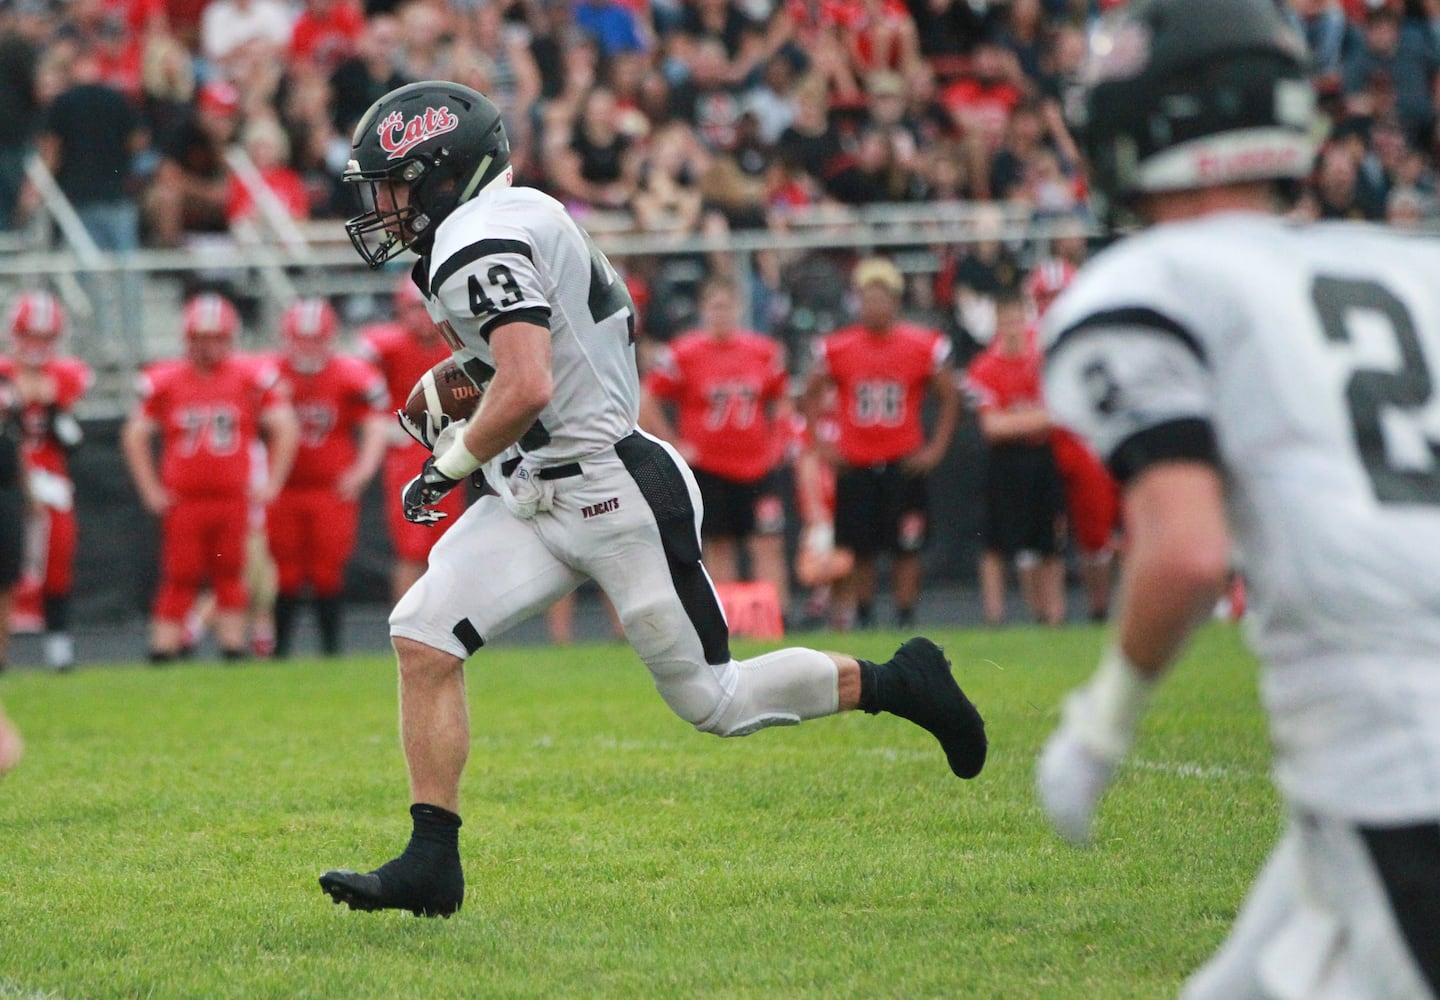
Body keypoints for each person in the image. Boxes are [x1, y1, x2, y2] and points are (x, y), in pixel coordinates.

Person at [317, 81, 987, 918]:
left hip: (611, 489)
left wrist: (446, 464)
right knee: (422, 636)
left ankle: (902, 679)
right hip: (536, 489)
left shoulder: (475, 239)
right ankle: (431, 860)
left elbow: (527, 380)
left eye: (398, 185)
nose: (385, 206)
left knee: (718, 700)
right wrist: (464, 390)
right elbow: (536, 357)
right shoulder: (514, 214)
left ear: (447, 175)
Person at [1035, 2, 1440, 997]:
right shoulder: (1407, 263)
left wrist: (1099, 729)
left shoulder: (1150, 281)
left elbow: (1186, 552)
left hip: (1394, 754)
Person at [121, 292, 299, 662]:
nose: (208, 347)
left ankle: (232, 648)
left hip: (232, 496)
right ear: (187, 339)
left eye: (216, 338)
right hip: (185, 498)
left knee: (231, 574)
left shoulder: (249, 377)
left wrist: (273, 482)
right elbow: (135, 433)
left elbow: (285, 427)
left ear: (230, 338)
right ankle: (163, 650)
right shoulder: (166, 379)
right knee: (179, 576)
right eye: (201, 338)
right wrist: (150, 488)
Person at [800, 256, 961, 631]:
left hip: (902, 458)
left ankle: (905, 616)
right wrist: (820, 443)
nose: (874, 305)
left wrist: (936, 447)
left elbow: (950, 395)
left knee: (907, 546)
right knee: (861, 548)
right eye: (867, 297)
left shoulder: (922, 344)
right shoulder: (838, 347)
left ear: (895, 300)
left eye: (881, 296)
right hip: (856, 460)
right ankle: (867, 615)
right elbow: (809, 393)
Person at [639, 275, 794, 620]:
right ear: (703, 310)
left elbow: (783, 401)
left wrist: (778, 441)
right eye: (714, 306)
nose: (720, 314)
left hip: (758, 465)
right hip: (709, 467)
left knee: (767, 543)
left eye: (726, 306)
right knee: (718, 545)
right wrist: (675, 444)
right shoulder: (684, 352)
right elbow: (647, 399)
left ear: (738, 309)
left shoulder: (762, 351)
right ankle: (727, 619)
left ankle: (775, 618)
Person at [267, 297, 389, 657]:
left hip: (329, 488)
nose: (308, 347)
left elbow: (375, 426)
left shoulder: (349, 374)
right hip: (283, 488)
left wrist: (362, 471)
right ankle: (280, 653)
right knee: (285, 572)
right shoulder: (269, 375)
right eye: (301, 338)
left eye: (315, 338)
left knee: (327, 571)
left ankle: (331, 652)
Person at [357, 275, 464, 603]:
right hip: (406, 455)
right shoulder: (385, 346)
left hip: (452, 454)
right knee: (411, 547)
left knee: (451, 544)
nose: (422, 316)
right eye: (414, 308)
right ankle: (405, 621)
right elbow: (358, 388)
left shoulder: (458, 346)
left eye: (427, 308)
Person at [964, 285, 1066, 627]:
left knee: (1048, 541)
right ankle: (995, 616)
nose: (1011, 327)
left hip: (1040, 456)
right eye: (1004, 321)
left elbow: (1059, 412)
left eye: (1016, 320)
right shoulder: (984, 366)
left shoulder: (1043, 359)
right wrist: (1035, 418)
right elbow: (993, 428)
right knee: (995, 542)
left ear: (1026, 319)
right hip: (1004, 460)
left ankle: (1053, 616)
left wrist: (1017, 419)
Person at [0, 291, 91, 671]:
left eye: (44, 338)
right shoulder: (4, 374)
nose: (36, 347)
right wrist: (17, 404)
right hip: (7, 482)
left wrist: (53, 408)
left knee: (58, 561)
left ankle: (59, 649)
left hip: (52, 481)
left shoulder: (65, 377)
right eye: (30, 336)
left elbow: (72, 441)